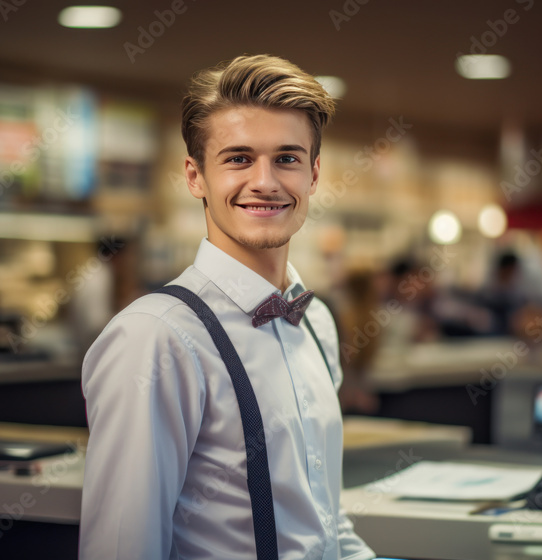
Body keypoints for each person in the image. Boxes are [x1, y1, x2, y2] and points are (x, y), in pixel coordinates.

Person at [79, 55, 376, 560]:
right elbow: (123, 548)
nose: (265, 182)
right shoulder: (156, 337)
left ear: (314, 174)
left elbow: (326, 523)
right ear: (195, 177)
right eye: (238, 158)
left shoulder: (318, 322)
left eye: (287, 158)